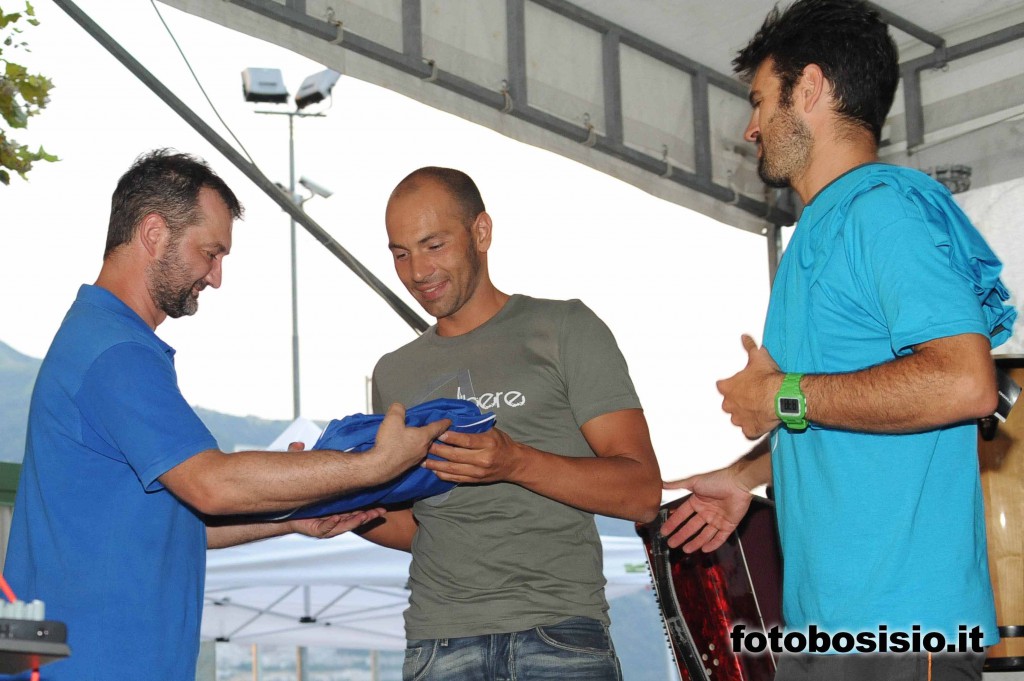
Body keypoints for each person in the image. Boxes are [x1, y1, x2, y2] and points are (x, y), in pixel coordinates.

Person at [660, 2, 1016, 680]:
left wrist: (780, 395)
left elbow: (964, 382)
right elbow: (842, 411)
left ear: (811, 88)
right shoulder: (818, 234)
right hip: (825, 631)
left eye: (760, 100)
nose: (751, 126)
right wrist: (743, 477)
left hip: (904, 626)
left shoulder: (883, 210)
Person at [1, 149, 450, 681]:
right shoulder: (114, 352)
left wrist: (291, 518)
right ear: (153, 234)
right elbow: (212, 484)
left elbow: (178, 523)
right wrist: (376, 465)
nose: (216, 277)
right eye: (210, 252)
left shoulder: (103, 342)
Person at [361, 166, 662, 681]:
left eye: (434, 245)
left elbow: (641, 493)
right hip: (438, 643)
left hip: (559, 634)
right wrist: (346, 510)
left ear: (481, 232)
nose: (417, 271)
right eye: (401, 253)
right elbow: (423, 527)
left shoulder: (565, 328)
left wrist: (515, 462)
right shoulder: (393, 373)